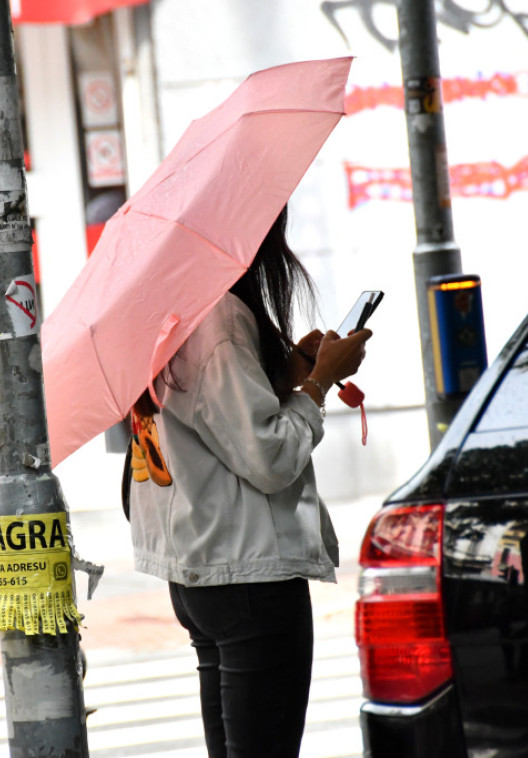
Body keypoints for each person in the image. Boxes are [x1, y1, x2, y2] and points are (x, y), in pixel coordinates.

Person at [126, 206, 371, 757]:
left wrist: (292, 371)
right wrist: (320, 382)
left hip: (201, 574)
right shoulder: (220, 319)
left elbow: (214, 415)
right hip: (250, 574)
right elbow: (269, 455)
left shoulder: (169, 312)